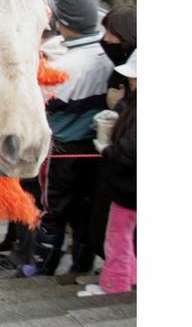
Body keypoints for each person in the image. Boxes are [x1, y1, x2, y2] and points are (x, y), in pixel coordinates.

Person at [35, 0, 114, 275]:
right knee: (84, 211)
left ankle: (43, 267)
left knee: (52, 210)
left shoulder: (62, 66)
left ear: (61, 20)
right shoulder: (107, 55)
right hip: (94, 148)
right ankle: (81, 265)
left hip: (61, 151)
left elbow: (39, 106)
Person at [79, 50, 137, 296]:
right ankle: (129, 278)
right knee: (126, 237)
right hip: (131, 189)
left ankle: (114, 285)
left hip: (127, 190)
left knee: (117, 239)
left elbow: (128, 155)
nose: (131, 82)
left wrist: (106, 148)